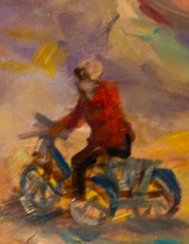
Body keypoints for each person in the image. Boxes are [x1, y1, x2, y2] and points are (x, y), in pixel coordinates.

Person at [52, 58, 134, 200]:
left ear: (92, 78)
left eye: (83, 76)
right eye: (80, 77)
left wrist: (96, 145)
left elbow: (112, 122)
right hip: (103, 142)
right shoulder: (86, 99)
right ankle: (84, 190)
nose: (80, 81)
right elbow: (75, 118)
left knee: (79, 162)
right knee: (79, 160)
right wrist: (58, 127)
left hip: (117, 142)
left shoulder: (106, 94)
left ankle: (80, 200)